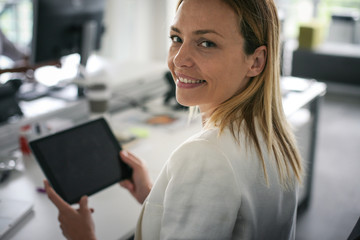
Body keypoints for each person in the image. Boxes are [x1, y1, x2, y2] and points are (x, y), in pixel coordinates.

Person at [44, 0, 304, 239]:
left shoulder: (206, 156)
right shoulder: (271, 135)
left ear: (256, 61)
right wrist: (154, 195)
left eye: (206, 43)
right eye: (177, 38)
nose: (179, 59)